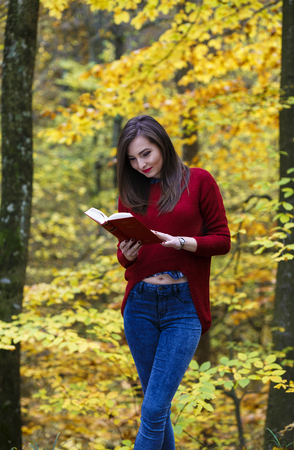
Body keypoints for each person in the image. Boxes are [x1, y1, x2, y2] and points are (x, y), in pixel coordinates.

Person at [116, 115, 230, 450]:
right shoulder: (131, 191)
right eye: (133, 159)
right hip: (139, 306)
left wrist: (183, 242)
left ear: (163, 144)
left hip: (183, 306)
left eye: (146, 154)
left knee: (152, 408)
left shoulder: (199, 182)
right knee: (158, 412)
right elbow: (124, 259)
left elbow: (222, 240)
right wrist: (128, 253)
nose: (141, 164)